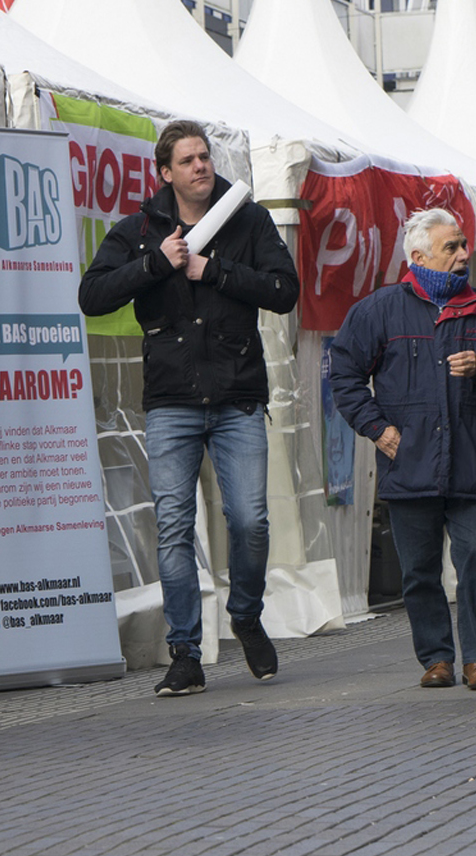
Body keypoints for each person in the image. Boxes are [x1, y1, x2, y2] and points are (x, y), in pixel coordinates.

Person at [79, 120, 299, 696]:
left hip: (237, 397)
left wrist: (215, 270)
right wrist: (157, 263)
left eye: (205, 157)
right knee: (174, 529)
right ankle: (185, 654)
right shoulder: (143, 228)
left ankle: (245, 615)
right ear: (165, 172)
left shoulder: (246, 219)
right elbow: (92, 295)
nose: (201, 166)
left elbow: (285, 290)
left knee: (250, 521)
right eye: (189, 160)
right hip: (172, 400)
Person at [329, 208, 476, 692]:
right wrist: (378, 430)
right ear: (419, 256)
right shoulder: (379, 309)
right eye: (453, 247)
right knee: (420, 573)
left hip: (472, 465)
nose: (465, 255)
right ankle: (437, 659)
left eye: (465, 246)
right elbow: (345, 376)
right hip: (410, 465)